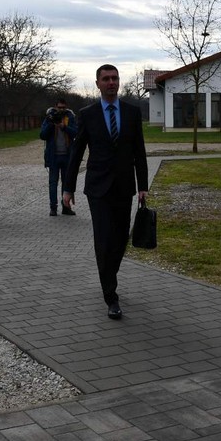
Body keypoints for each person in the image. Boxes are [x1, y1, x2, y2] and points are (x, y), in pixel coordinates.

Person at [63, 64, 148, 320]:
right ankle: (110, 296)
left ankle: (110, 274)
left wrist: (143, 185)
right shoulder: (87, 114)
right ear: (98, 83)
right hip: (98, 188)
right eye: (106, 79)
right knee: (104, 239)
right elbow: (76, 153)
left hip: (124, 186)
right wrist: (68, 188)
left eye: (115, 78)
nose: (111, 82)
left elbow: (139, 152)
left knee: (121, 238)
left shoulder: (132, 113)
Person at [39, 98, 78, 217]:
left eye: (63, 107)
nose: (61, 110)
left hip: (67, 156)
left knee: (66, 184)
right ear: (55, 107)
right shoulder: (49, 117)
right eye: (59, 107)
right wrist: (52, 124)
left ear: (66, 107)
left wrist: (64, 127)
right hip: (53, 156)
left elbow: (76, 132)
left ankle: (66, 207)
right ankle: (53, 208)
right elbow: (42, 135)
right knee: (53, 183)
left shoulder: (70, 117)